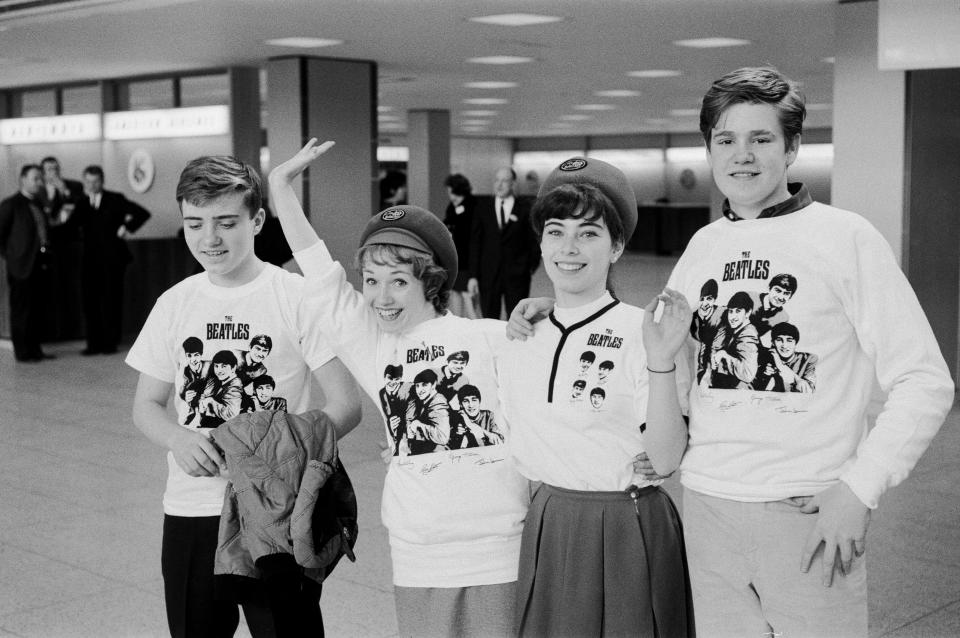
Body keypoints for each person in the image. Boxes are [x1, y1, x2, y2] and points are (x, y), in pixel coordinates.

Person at [661, 66, 955, 637]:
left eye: (760, 138)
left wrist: (859, 488)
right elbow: (676, 366)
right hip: (707, 507)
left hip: (807, 512)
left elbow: (924, 379)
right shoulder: (703, 246)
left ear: (793, 146)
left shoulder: (846, 237)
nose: (741, 156)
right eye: (725, 140)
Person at [268, 138, 529, 638]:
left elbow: (553, 405)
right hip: (419, 546)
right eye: (370, 280)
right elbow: (318, 267)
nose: (380, 298)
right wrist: (281, 187)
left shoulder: (491, 337)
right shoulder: (372, 342)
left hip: (500, 543)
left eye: (397, 282)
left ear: (430, 282)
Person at [126, 154, 361, 638]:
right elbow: (146, 406)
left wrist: (281, 452)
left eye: (225, 223)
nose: (209, 239)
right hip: (192, 509)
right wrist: (178, 439)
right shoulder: (174, 303)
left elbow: (346, 404)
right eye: (195, 224)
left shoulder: (293, 296)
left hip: (275, 513)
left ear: (256, 220)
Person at [496, 157, 695, 637]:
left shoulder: (642, 332)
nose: (569, 248)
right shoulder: (521, 333)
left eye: (588, 233)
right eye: (555, 231)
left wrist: (662, 359)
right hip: (548, 519)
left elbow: (666, 458)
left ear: (617, 247)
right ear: (540, 242)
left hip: (627, 520)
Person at [72, 164, 151, 355]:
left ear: (102, 181)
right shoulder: (82, 203)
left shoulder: (115, 199)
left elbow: (143, 213)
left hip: (113, 260)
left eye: (96, 181)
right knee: (90, 302)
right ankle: (93, 344)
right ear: (85, 182)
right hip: (90, 261)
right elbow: (70, 225)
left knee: (111, 301)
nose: (92, 185)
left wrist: (127, 226)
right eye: (88, 181)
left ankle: (109, 343)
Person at [467, 166, 540, 319]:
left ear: (513, 184)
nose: (499, 185)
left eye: (504, 181)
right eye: (497, 180)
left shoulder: (525, 209)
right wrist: (473, 276)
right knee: (489, 319)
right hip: (488, 275)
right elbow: (475, 243)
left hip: (517, 276)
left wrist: (530, 266)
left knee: (517, 318)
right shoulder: (482, 208)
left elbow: (533, 240)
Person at [0, 164, 55, 362]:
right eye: (35, 178)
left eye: (41, 178)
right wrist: (13, 257)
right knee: (22, 311)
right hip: (21, 267)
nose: (39, 182)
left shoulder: (39, 203)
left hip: (40, 265)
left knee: (37, 310)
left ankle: (35, 349)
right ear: (23, 179)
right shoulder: (11, 204)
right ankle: (23, 352)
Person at [705, 290, 759, 389]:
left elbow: (748, 374)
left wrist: (724, 355)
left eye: (738, 311)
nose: (732, 317)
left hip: (740, 392)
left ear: (748, 312)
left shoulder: (748, 334)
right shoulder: (734, 330)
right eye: (731, 311)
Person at [443, 173, 479, 318]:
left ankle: (476, 327)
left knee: (467, 296)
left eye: (451, 191)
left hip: (468, 257)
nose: (450, 195)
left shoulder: (473, 205)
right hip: (455, 256)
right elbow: (447, 222)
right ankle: (458, 324)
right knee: (454, 293)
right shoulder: (452, 206)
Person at [753, 321, 817, 393]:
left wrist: (781, 366)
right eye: (779, 340)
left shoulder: (808, 359)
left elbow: (809, 391)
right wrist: (764, 377)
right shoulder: (766, 357)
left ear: (796, 343)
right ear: (773, 342)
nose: (784, 345)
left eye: (789, 340)